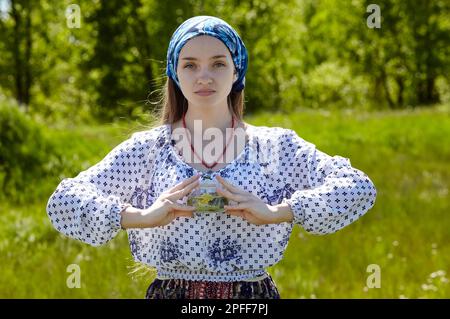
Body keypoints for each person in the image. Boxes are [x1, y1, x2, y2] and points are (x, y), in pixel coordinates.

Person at [46, 15, 377, 299]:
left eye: (218, 63)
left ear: (237, 71)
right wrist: (142, 217)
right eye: (190, 65)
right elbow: (63, 202)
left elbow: (357, 187)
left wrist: (279, 212)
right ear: (175, 73)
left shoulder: (273, 146)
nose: (204, 76)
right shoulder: (148, 150)